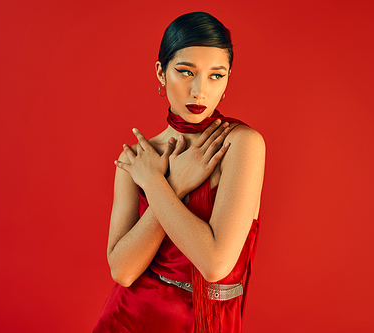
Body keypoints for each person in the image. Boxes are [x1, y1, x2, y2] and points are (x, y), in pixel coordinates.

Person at [93, 11, 265, 333]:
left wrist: (158, 185)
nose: (200, 90)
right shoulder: (139, 160)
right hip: (128, 319)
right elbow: (123, 271)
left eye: (216, 75)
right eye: (186, 72)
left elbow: (214, 264)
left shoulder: (243, 145)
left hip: (207, 322)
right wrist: (173, 183)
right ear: (161, 72)